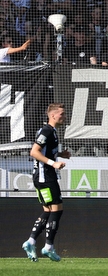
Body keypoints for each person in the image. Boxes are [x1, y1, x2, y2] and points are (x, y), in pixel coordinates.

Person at [22, 103, 69, 262]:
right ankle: (48, 246)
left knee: (48, 211)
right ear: (53, 115)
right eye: (61, 114)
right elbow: (34, 152)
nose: (64, 116)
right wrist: (53, 163)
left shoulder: (52, 132)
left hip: (43, 176)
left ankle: (31, 241)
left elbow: (44, 151)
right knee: (57, 209)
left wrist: (61, 154)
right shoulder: (47, 130)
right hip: (45, 177)